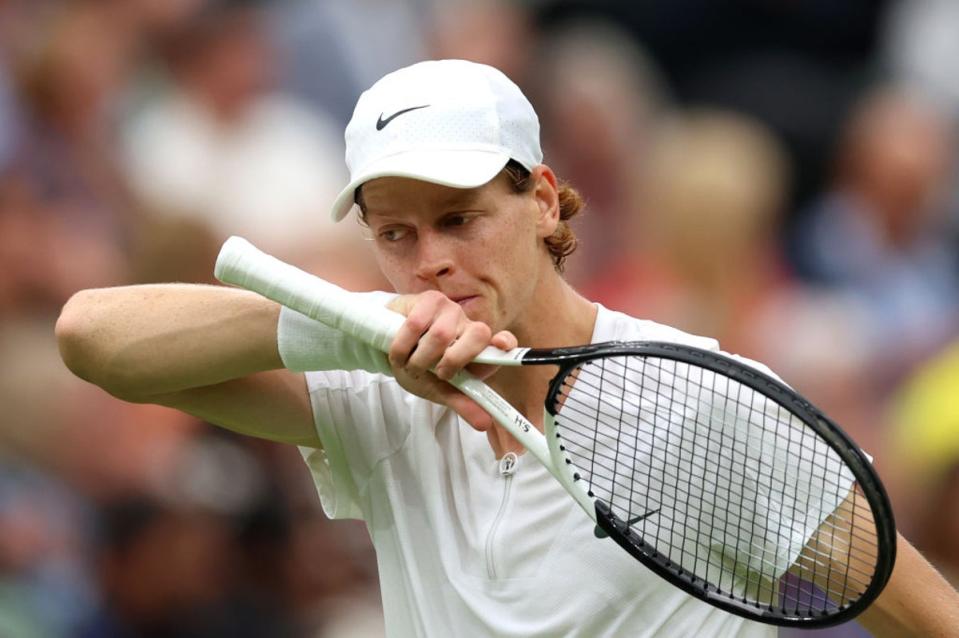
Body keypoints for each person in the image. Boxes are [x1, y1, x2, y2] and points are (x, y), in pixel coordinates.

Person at [56, 60, 959, 637]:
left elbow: (925, 617)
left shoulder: (708, 401)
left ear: (543, 201)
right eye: (396, 235)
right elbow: (95, 341)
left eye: (458, 220)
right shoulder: (376, 390)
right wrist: (367, 336)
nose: (432, 261)